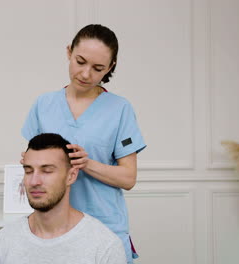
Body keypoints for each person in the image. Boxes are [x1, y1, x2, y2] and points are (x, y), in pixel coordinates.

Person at [21, 24, 146, 263]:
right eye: (80, 61)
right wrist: (30, 162)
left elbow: (128, 178)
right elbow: (35, 163)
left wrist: (87, 163)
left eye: (98, 68)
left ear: (110, 67)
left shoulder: (120, 109)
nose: (86, 74)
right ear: (69, 52)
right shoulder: (43, 105)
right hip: (53, 228)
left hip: (105, 224)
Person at [0, 133, 127, 264]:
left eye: (47, 171)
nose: (34, 181)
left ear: (71, 176)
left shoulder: (105, 245)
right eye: (28, 171)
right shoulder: (6, 239)